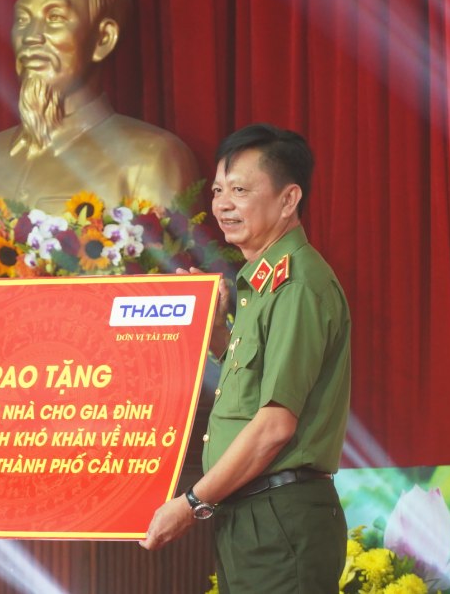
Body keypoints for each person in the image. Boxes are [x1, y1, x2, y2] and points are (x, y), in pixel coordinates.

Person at [140, 124, 351, 593]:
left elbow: (275, 425)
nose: (223, 205)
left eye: (240, 190)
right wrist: (216, 333)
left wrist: (191, 503)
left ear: (288, 199)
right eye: (218, 190)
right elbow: (253, 386)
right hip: (251, 514)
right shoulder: (262, 282)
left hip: (280, 516)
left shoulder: (296, 285)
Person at [0, 0, 199, 214]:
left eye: (55, 17)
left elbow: (168, 244)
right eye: (23, 20)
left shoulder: (151, 159)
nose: (31, 37)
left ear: (103, 38)